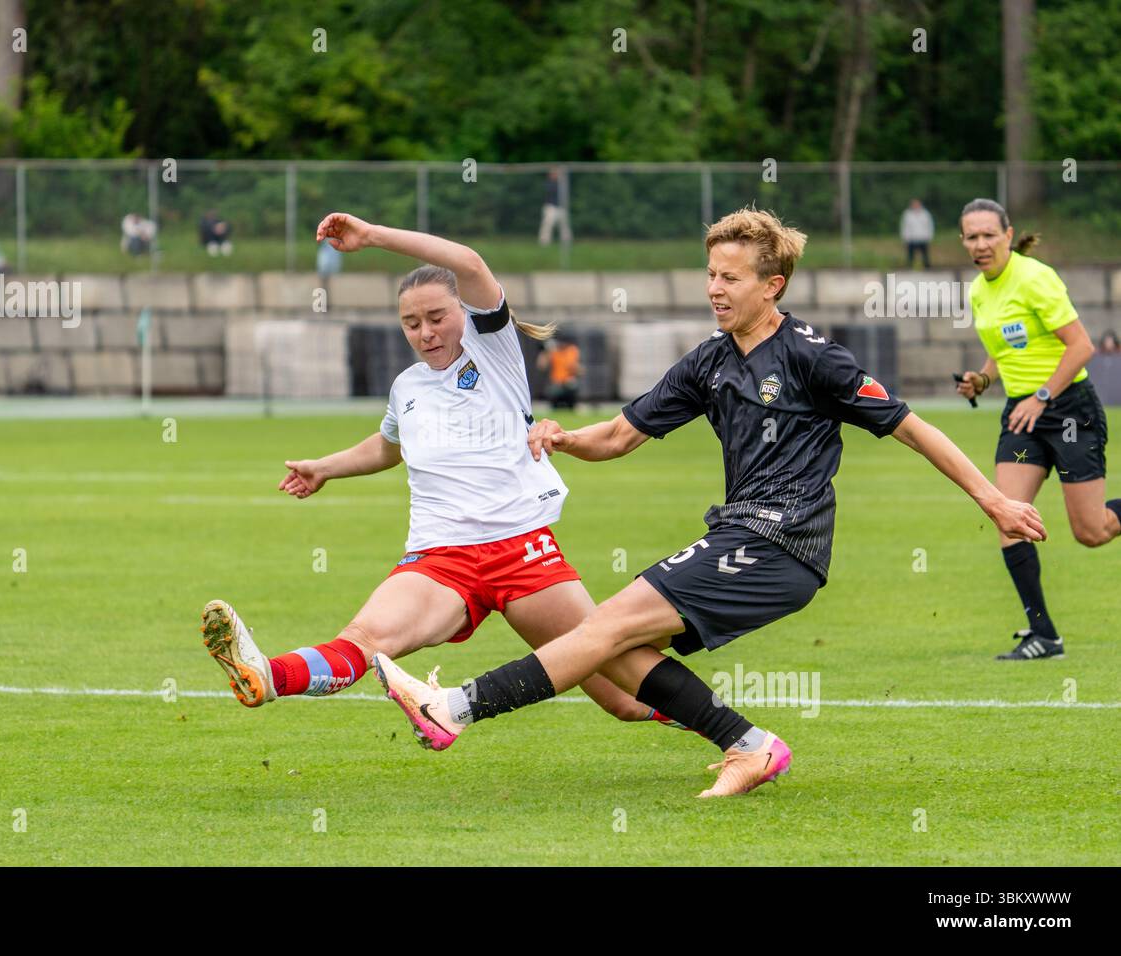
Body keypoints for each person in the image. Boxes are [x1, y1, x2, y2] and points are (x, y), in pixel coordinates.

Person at [374, 207, 1045, 798]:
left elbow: (912, 427)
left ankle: (455, 706)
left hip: (782, 542)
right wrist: (562, 437)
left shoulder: (816, 357)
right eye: (711, 274)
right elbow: (617, 437)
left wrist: (994, 501)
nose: (714, 289)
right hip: (741, 537)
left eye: (730, 278)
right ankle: (749, 745)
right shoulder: (708, 362)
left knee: (603, 628)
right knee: (614, 648)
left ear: (770, 285)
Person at [198, 212, 687, 732]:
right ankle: (270, 675)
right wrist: (325, 468)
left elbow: (469, 262)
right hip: (440, 559)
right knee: (365, 640)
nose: (426, 333)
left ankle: (737, 738)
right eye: (412, 324)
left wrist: (373, 237)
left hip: (520, 550)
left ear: (464, 311)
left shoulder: (492, 348)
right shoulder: (407, 387)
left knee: (622, 696)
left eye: (437, 317)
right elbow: (388, 447)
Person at [955, 198, 1120, 660]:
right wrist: (982, 379)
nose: (981, 244)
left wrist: (1042, 395)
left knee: (1092, 531)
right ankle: (1044, 634)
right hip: (1022, 418)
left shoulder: (1035, 278)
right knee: (1008, 516)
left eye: (990, 234)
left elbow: (1082, 346)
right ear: (963, 242)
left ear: (1009, 235)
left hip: (1068, 410)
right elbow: (1002, 354)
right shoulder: (978, 291)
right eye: (972, 236)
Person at [535, 336, 582, 410]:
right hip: (556, 383)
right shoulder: (553, 351)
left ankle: (571, 407)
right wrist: (545, 352)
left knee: (573, 385)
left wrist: (573, 371)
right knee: (554, 391)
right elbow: (541, 366)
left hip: (568, 383)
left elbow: (580, 370)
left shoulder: (572, 350)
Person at [537, 167, 572, 246]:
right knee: (547, 226)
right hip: (551, 207)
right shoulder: (549, 183)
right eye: (555, 174)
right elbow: (550, 191)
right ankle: (544, 242)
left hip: (561, 207)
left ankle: (566, 242)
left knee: (564, 226)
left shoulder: (561, 184)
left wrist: (561, 180)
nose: (556, 175)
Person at [900, 198, 934, 269]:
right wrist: (905, 238)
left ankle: (927, 267)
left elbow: (930, 226)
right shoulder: (907, 214)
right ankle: (910, 267)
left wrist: (930, 237)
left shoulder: (925, 214)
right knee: (910, 255)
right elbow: (904, 227)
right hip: (911, 238)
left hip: (923, 237)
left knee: (925, 254)